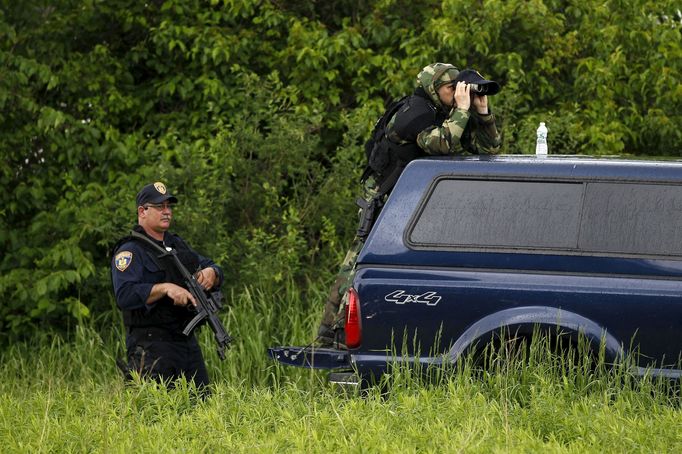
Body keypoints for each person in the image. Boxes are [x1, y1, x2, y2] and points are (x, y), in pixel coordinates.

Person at [317, 62, 502, 347]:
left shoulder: (445, 114)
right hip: (384, 195)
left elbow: (488, 149)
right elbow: (442, 144)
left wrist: (481, 111)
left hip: (410, 198)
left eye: (459, 88)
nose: (456, 94)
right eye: (450, 89)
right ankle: (331, 332)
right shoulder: (414, 113)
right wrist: (462, 111)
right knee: (359, 262)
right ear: (432, 89)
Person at [111, 181, 224, 388]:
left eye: (169, 207)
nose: (167, 212)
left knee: (202, 407)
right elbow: (124, 295)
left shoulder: (176, 245)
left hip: (186, 343)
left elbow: (209, 265)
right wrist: (164, 289)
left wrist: (212, 272)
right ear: (142, 211)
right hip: (151, 346)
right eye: (159, 207)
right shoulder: (131, 251)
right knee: (156, 413)